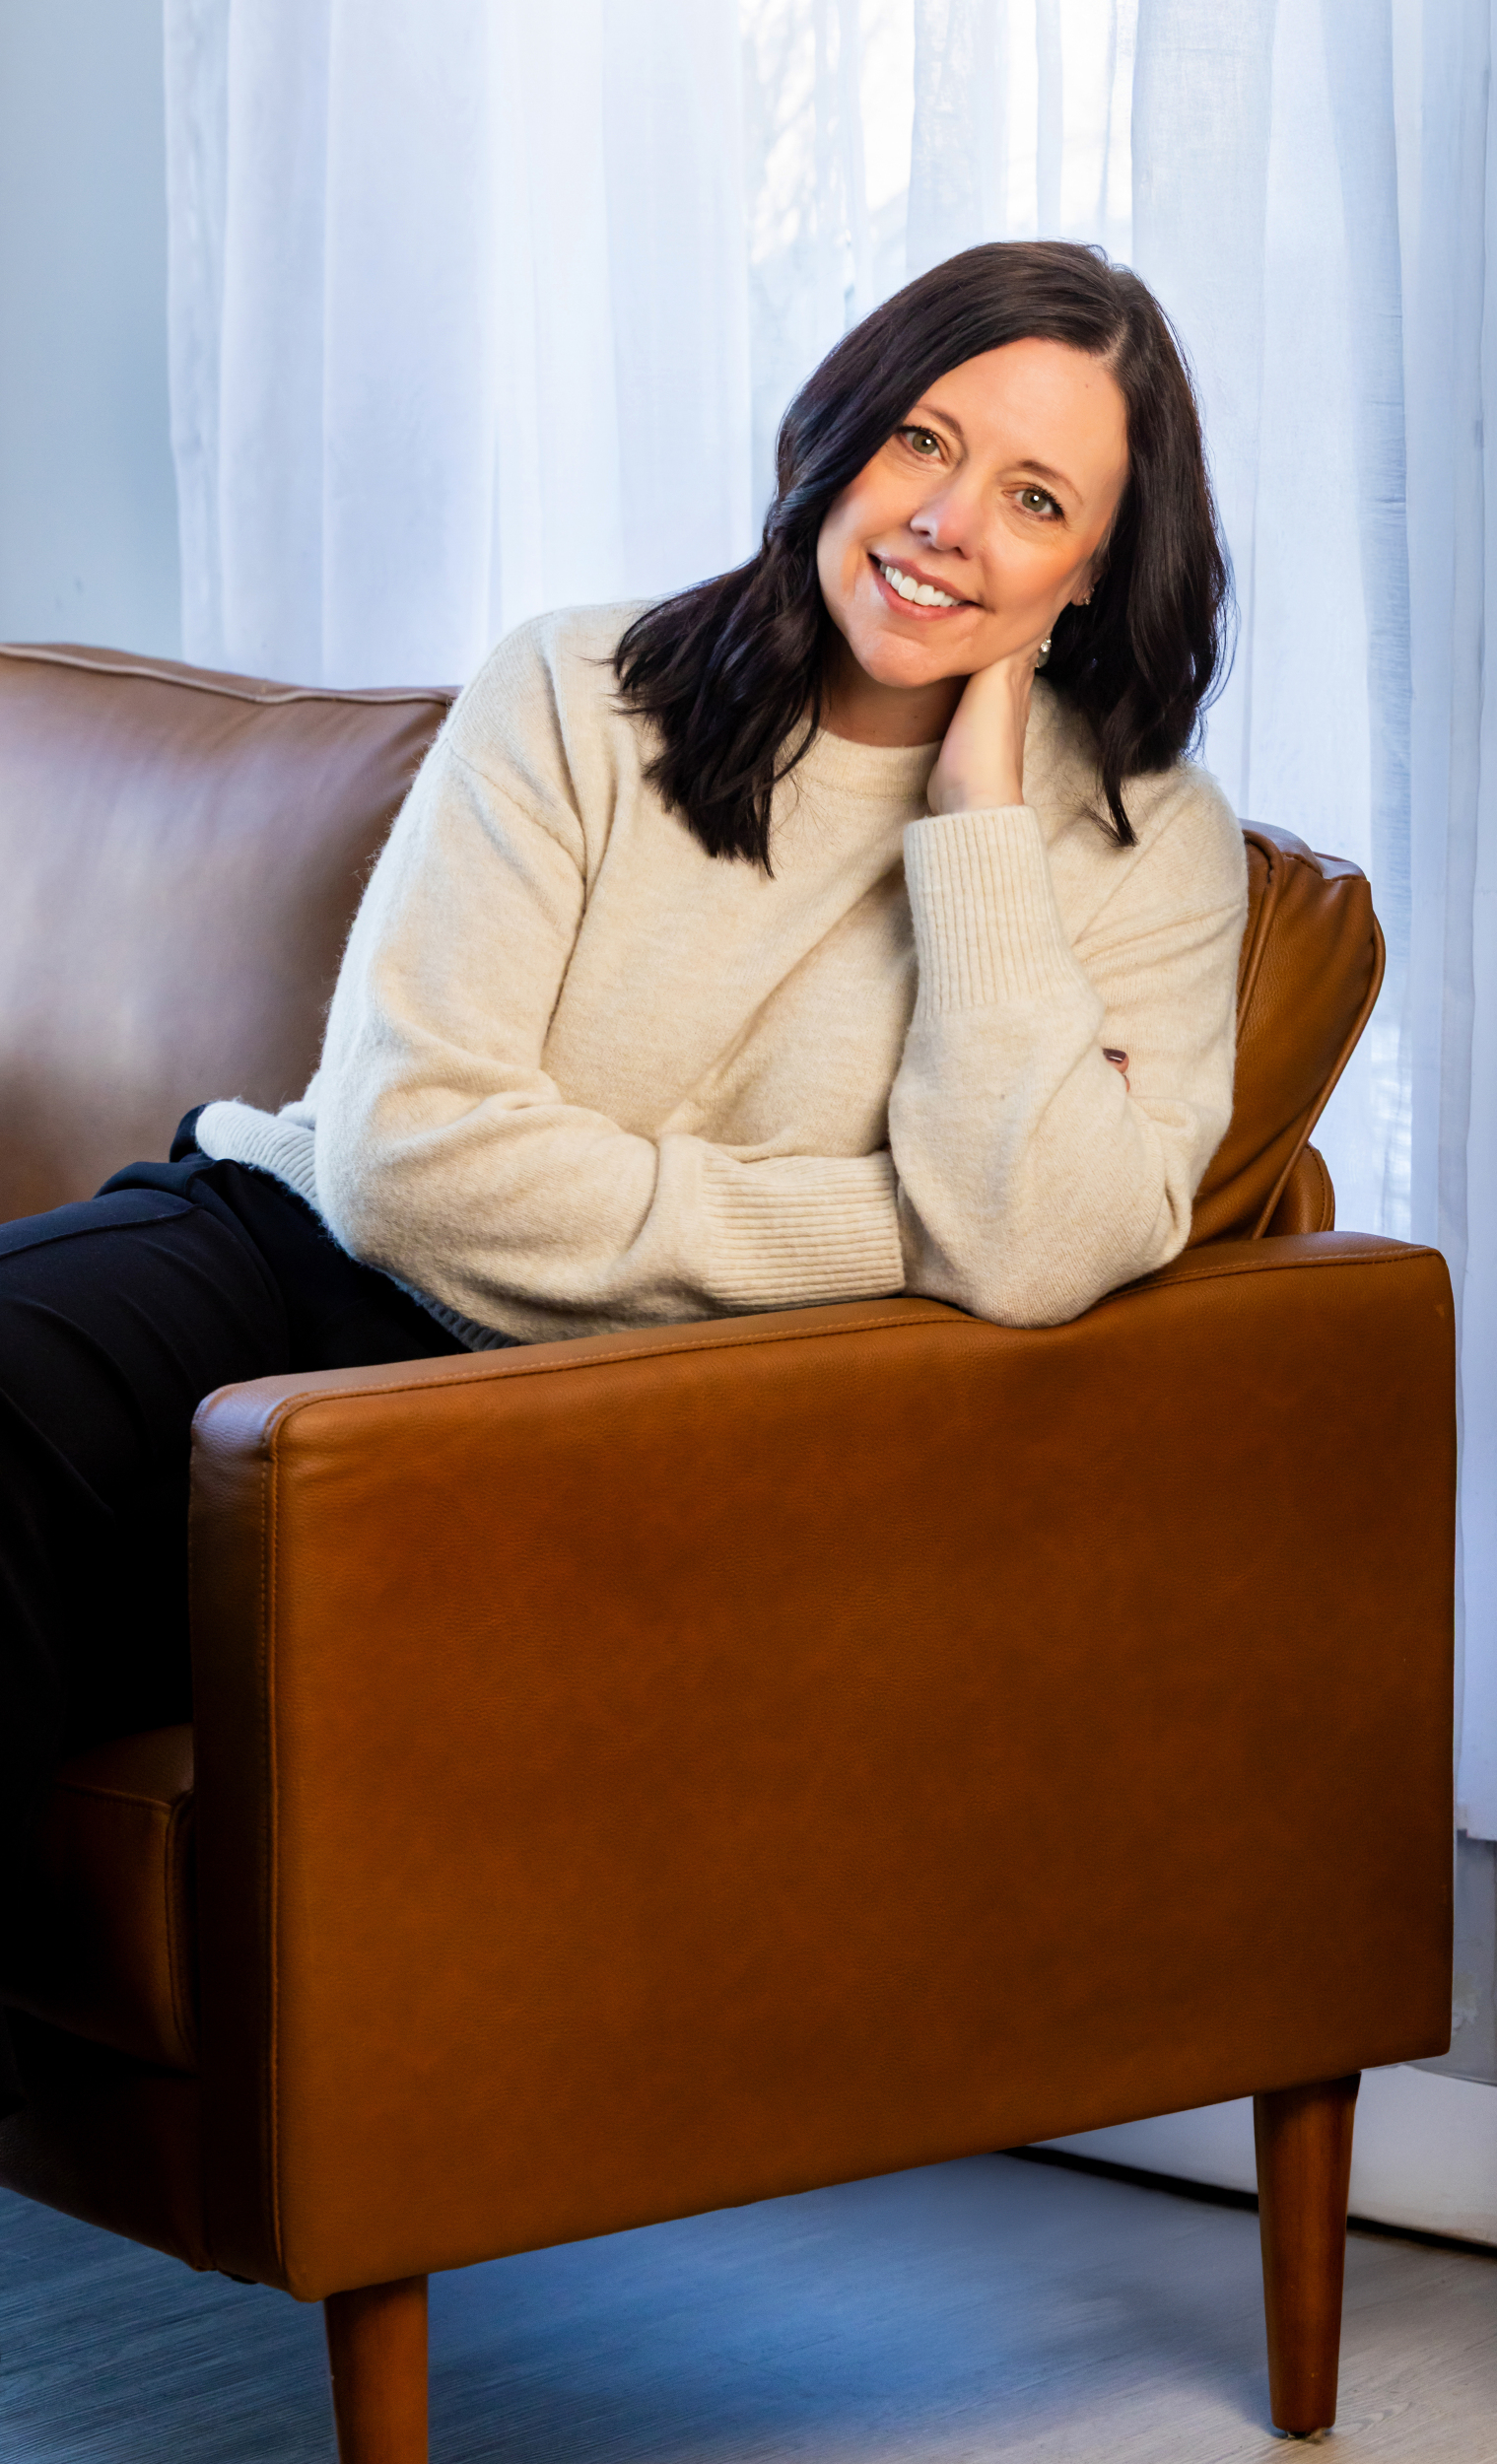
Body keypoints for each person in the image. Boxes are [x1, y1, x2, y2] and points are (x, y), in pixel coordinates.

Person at [0, 240, 1246, 2114]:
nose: (947, 521)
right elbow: (413, 1166)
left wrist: (977, 827)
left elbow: (1046, 1244)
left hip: (597, 1438)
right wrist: (902, 1227)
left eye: (1035, 498)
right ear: (836, 437)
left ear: (1093, 573)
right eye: (923, 439)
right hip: (285, 1258)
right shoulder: (580, 690)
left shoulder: (1142, 853)